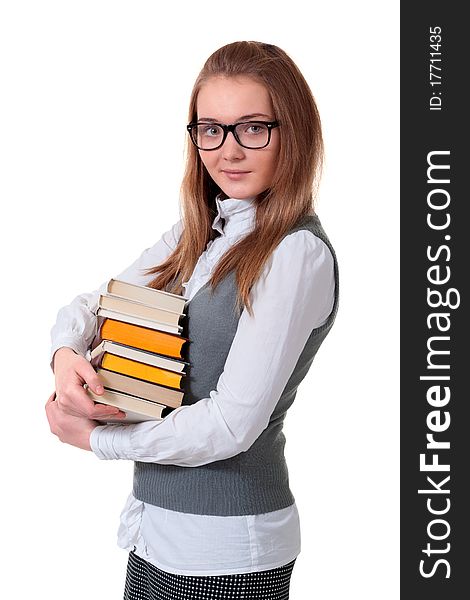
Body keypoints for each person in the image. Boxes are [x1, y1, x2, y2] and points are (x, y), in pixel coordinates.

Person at [46, 40, 339, 600]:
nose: (228, 151)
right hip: (156, 532)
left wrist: (100, 440)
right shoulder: (199, 232)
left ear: (293, 133)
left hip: (226, 553)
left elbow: (230, 425)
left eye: (253, 128)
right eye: (211, 129)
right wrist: (64, 356)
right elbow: (96, 305)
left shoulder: (296, 254)